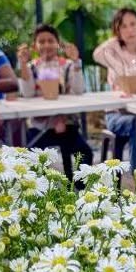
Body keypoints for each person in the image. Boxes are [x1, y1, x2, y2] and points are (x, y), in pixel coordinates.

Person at [18, 24, 94, 180]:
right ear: (35, 46)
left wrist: (76, 61)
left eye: (50, 41)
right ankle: (40, 189)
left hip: (67, 126)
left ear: (58, 44)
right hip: (40, 128)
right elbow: (27, 93)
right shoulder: (31, 67)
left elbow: (79, 90)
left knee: (86, 152)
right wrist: (23, 65)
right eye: (42, 41)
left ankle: (79, 188)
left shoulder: (66, 66)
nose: (46, 45)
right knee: (30, 158)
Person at [93, 7, 136, 171]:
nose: (129, 30)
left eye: (133, 24)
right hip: (118, 114)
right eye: (123, 26)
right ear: (117, 30)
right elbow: (97, 54)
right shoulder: (112, 52)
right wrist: (114, 40)